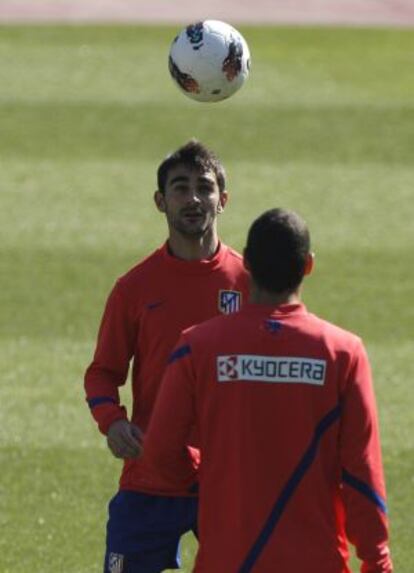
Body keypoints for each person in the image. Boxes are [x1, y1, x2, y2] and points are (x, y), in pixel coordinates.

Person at [144, 208, 393, 573]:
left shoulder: (197, 347)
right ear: (308, 265)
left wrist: (217, 478)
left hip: (227, 562)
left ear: (247, 264)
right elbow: (361, 471)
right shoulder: (343, 353)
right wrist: (377, 561)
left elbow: (159, 454)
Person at [84, 140, 250, 573]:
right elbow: (103, 373)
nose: (193, 198)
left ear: (224, 200)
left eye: (205, 187)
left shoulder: (251, 282)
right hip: (151, 473)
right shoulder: (134, 288)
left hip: (228, 478)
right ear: (160, 201)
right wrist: (113, 420)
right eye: (180, 187)